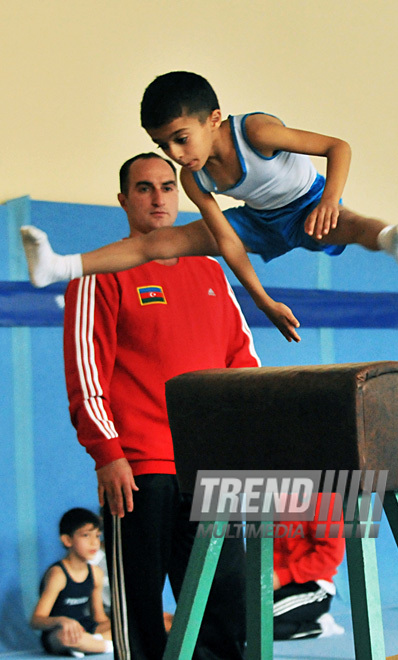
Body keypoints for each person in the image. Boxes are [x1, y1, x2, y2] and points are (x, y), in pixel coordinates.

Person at [20, 71, 398, 342]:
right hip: (258, 222)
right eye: (164, 145)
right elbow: (227, 240)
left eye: (181, 138)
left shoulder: (256, 132)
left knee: (350, 224)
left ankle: (391, 239)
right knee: (160, 242)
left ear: (213, 119)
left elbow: (339, 147)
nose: (175, 154)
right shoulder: (193, 177)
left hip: (309, 205)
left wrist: (331, 199)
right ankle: (59, 266)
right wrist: (263, 301)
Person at [62, 152, 260, 660]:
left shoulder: (211, 270)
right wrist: (108, 453)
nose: (158, 197)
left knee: (224, 604)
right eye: (145, 188)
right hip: (138, 471)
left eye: (167, 187)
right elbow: (87, 373)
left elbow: (242, 364)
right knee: (141, 612)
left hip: (208, 469)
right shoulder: (99, 272)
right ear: (124, 199)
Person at [30, 508, 113, 657]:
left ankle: (91, 644)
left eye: (97, 536)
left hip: (86, 628)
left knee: (127, 626)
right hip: (60, 633)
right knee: (67, 638)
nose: (94, 542)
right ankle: (104, 645)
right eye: (86, 535)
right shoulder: (58, 574)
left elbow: (99, 618)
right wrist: (61, 620)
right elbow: (36, 620)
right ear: (67, 540)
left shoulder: (96, 573)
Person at [273, 494, 345, 641]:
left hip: (313, 583)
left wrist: (282, 577)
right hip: (274, 580)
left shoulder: (323, 495)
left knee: (256, 622)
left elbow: (331, 554)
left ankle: (321, 626)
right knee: (229, 616)